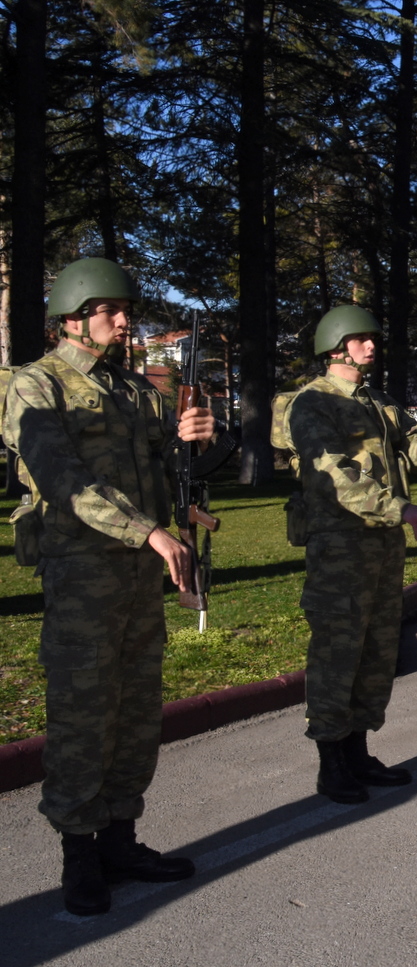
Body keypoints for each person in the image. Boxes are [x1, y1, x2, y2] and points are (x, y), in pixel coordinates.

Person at [6, 257, 217, 915]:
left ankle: (121, 838)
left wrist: (201, 432)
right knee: (83, 713)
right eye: (110, 310)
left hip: (140, 577)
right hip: (83, 576)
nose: (125, 322)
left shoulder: (133, 391)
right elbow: (62, 478)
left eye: (125, 310)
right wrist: (146, 531)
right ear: (71, 315)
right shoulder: (33, 386)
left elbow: (181, 460)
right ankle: (79, 855)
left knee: (135, 709)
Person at [286, 306, 417, 804]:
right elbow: (334, 475)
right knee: (338, 651)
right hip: (342, 545)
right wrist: (397, 507)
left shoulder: (379, 403)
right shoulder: (312, 404)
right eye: (361, 339)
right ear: (336, 346)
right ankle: (331, 761)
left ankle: (358, 749)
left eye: (373, 339)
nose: (372, 347)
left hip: (382, 546)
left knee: (377, 651)